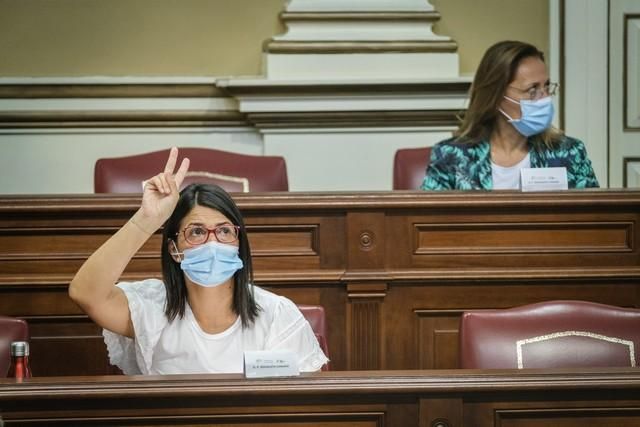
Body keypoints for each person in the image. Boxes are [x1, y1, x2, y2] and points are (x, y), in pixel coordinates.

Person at [69, 147, 328, 375]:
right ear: (174, 249)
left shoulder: (277, 315)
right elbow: (85, 293)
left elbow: (308, 405)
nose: (212, 243)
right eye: (196, 232)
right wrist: (146, 220)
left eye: (225, 231)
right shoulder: (150, 308)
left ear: (239, 244)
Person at [421, 40, 599, 190]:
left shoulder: (569, 152)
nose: (544, 98)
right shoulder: (451, 156)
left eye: (546, 86)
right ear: (497, 96)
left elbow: (597, 222)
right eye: (533, 89)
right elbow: (426, 223)